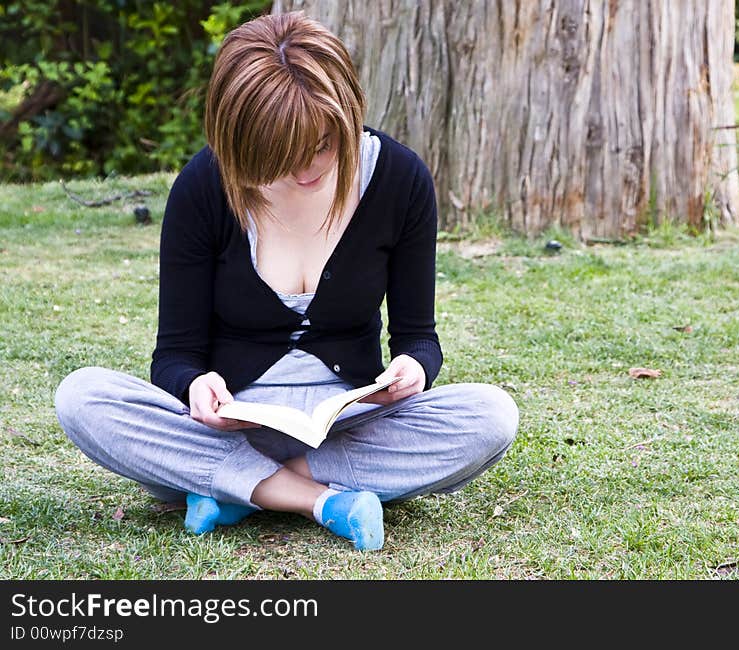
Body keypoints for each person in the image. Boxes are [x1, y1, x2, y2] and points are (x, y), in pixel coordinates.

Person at [54, 11, 518, 552]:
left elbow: (419, 337)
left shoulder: (399, 179)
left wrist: (415, 367)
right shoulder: (204, 186)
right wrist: (193, 386)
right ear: (241, 140)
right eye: (281, 156)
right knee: (81, 396)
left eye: (324, 144)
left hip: (348, 428)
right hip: (228, 428)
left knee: (491, 415)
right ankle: (320, 500)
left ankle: (240, 489)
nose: (307, 170)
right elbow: (175, 355)